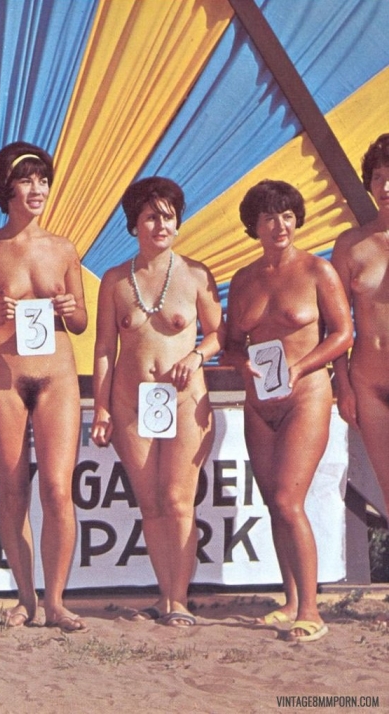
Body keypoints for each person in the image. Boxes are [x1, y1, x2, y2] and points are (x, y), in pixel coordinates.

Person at [222, 180, 352, 643]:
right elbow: (231, 345)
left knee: (287, 501)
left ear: (297, 220)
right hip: (259, 403)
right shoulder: (243, 279)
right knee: (273, 502)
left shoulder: (318, 271)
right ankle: (292, 600)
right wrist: (242, 364)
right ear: (254, 226)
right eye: (269, 218)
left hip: (306, 395)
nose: (280, 225)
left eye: (287, 216)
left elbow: (343, 334)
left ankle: (312, 611)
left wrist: (301, 366)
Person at [91, 177, 223, 627]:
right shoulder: (115, 280)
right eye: (151, 217)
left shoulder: (196, 275)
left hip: (185, 401)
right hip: (131, 403)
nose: (161, 225)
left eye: (168, 217)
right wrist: (101, 407)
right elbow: (104, 349)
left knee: (178, 499)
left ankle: (180, 600)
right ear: (134, 225)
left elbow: (219, 333)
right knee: (150, 503)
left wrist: (196, 355)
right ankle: (165, 597)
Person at [0, 142, 88, 631]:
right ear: (7, 188)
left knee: (58, 488)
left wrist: (69, 309)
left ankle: (56, 600)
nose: (37, 189)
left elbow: (80, 321)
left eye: (43, 180)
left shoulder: (64, 248)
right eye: (26, 180)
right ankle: (25, 597)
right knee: (13, 488)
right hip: (3, 377)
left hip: (57, 376)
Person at [332, 133, 389, 516]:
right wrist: (343, 385)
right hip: (369, 385)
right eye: (378, 177)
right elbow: (335, 323)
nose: (386, 187)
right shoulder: (350, 245)